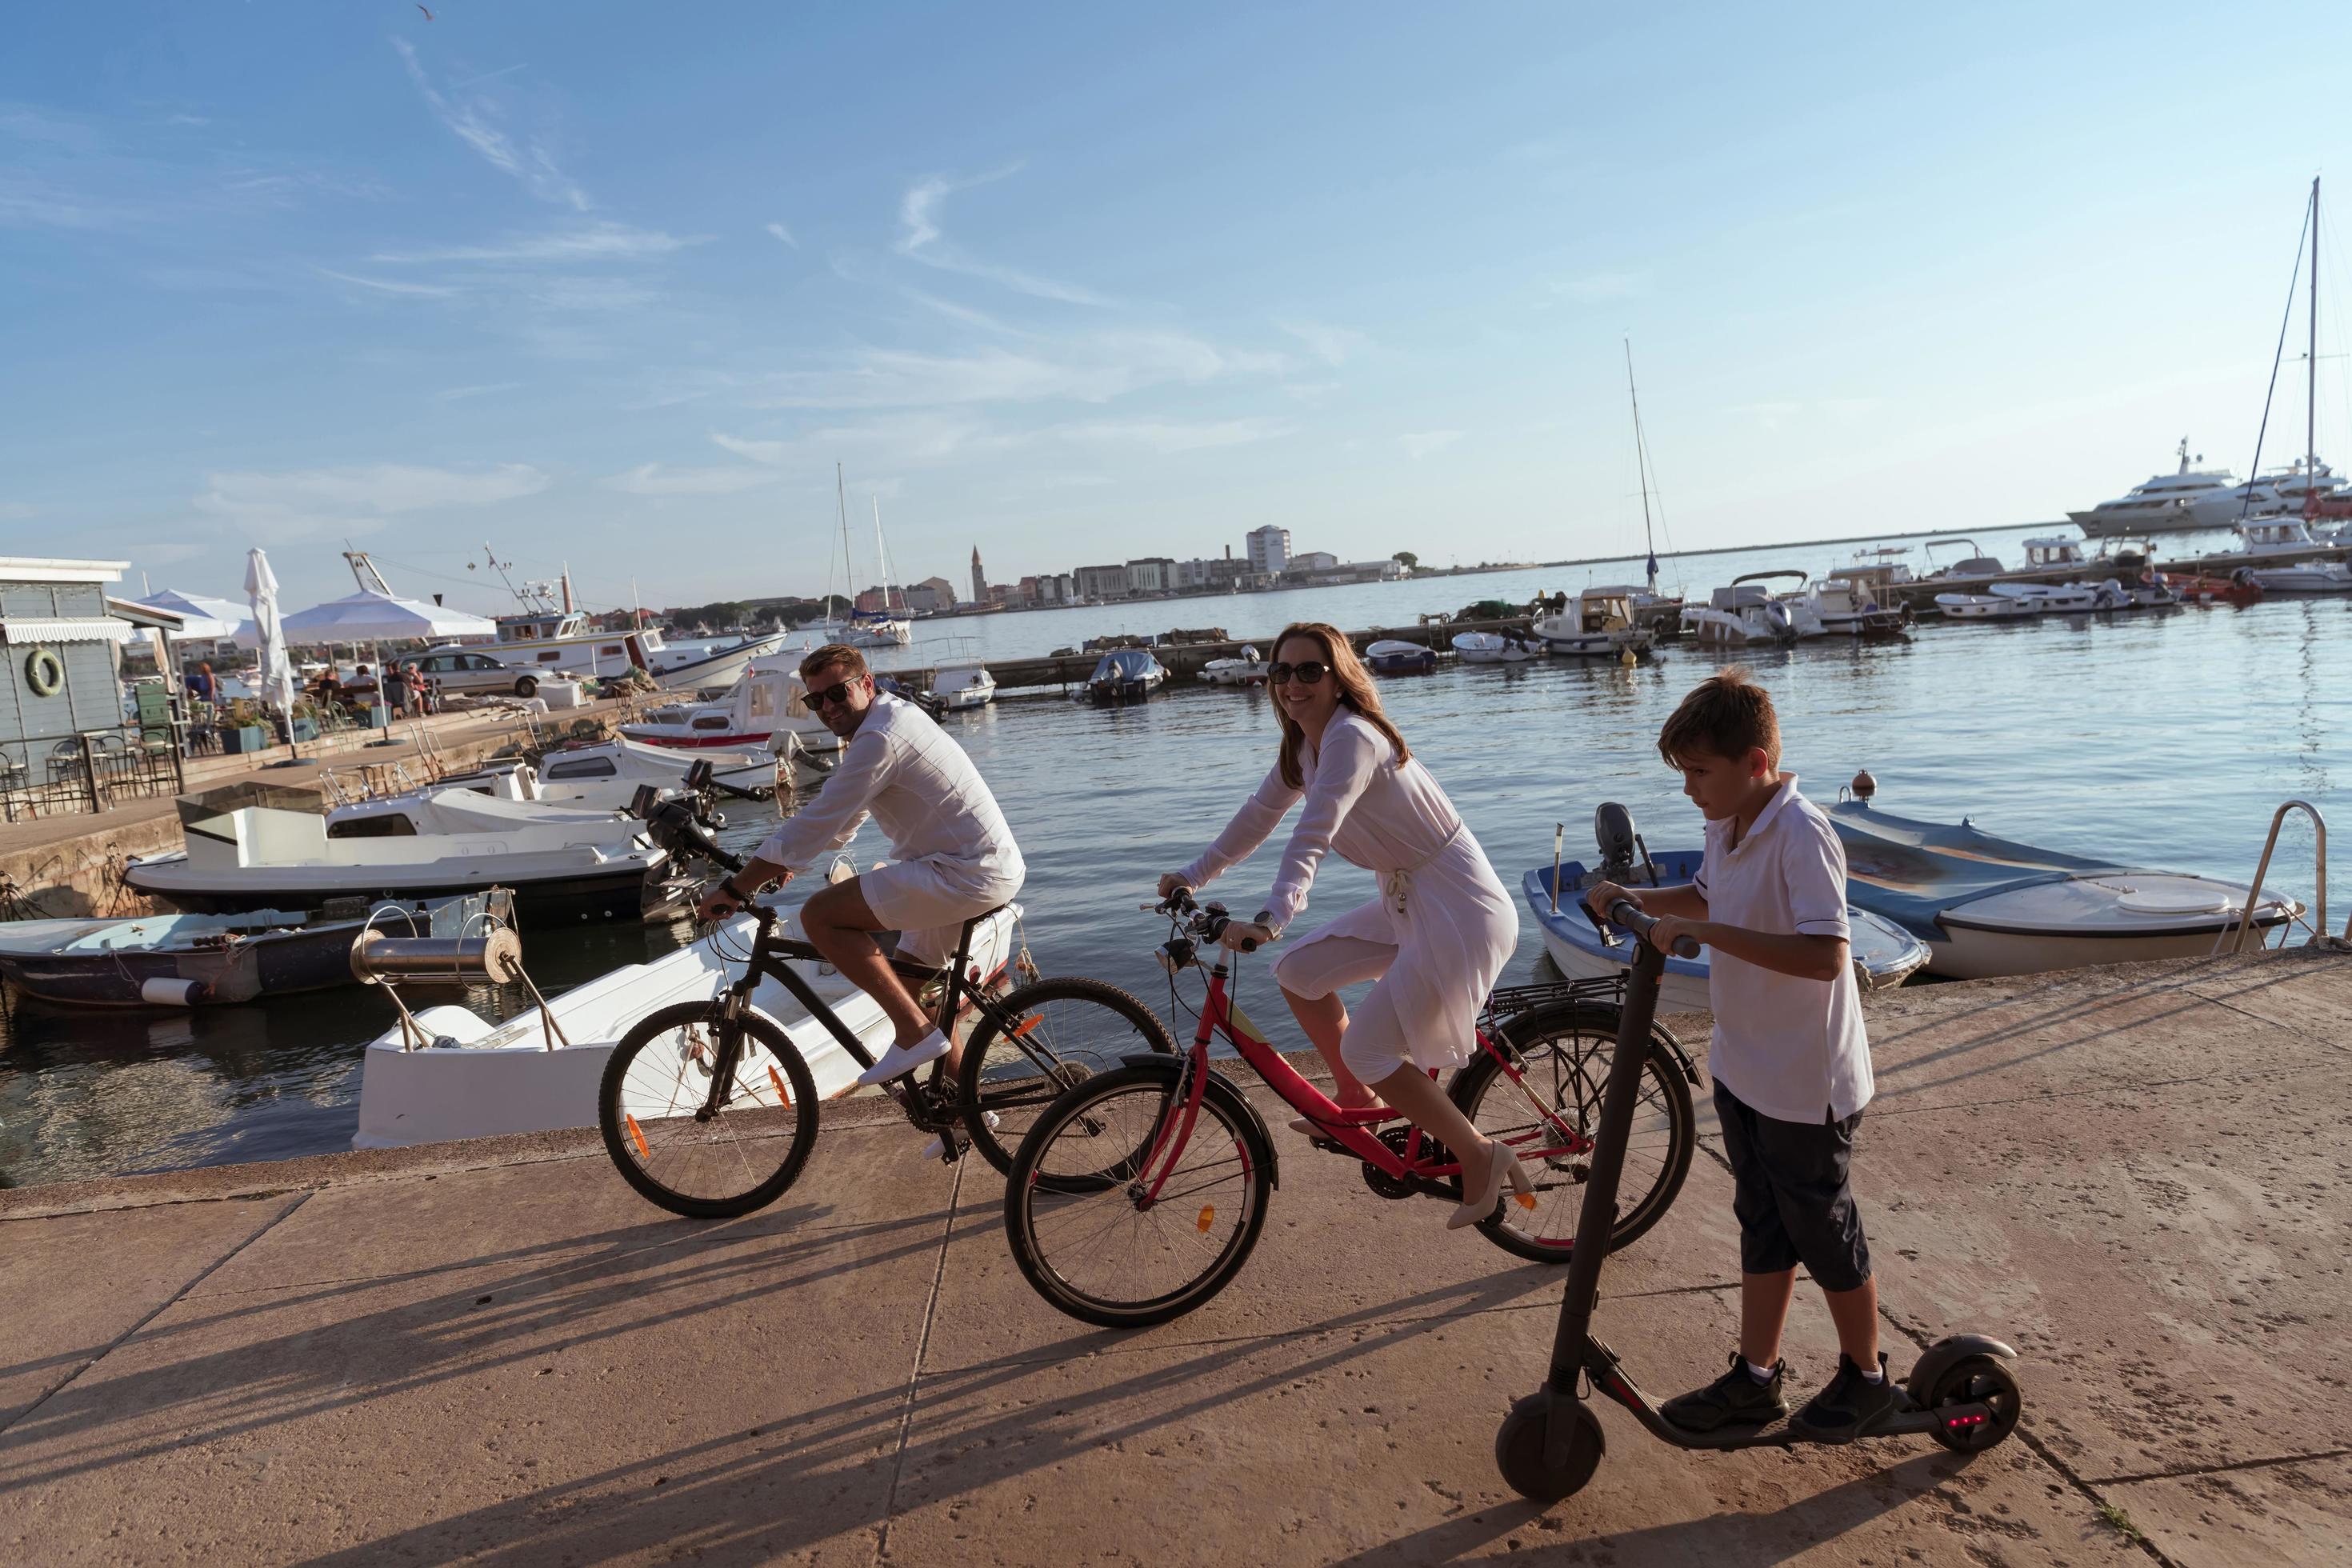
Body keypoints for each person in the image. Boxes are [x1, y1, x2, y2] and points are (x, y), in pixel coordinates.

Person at [1584, 668, 1887, 1441]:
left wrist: (1707, 935)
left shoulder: (1802, 833)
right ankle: (1757, 1376)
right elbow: (1712, 898)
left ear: (1755, 763)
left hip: (1806, 1077)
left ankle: (1868, 1375)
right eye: (1683, 773)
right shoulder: (1731, 823)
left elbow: (1825, 955)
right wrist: (1638, 901)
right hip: (1746, 1062)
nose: (1690, 791)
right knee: (1763, 1220)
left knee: (1821, 1224)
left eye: (1699, 772)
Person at [1156, 622, 1523, 1231]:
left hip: (1460, 911)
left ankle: (1480, 1154)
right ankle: (1358, 1102)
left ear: (1339, 678)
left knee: (1369, 1047)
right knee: (1300, 974)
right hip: (1410, 901)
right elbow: (1258, 817)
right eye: (1281, 672)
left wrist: (1274, 915)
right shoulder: (1305, 749)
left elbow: (1314, 832)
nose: (1292, 684)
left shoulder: (1353, 737)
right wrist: (1191, 875)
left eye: (1308, 671)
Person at [698, 644, 1026, 1142]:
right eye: (815, 701)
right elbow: (844, 817)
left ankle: (914, 1038)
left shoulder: (880, 737)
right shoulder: (884, 724)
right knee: (916, 995)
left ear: (867, 684)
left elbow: (820, 815)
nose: (827, 707)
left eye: (837, 693)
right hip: (963, 868)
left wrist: (736, 886)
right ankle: (966, 1113)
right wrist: (782, 866)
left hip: (963, 873)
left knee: (822, 916)